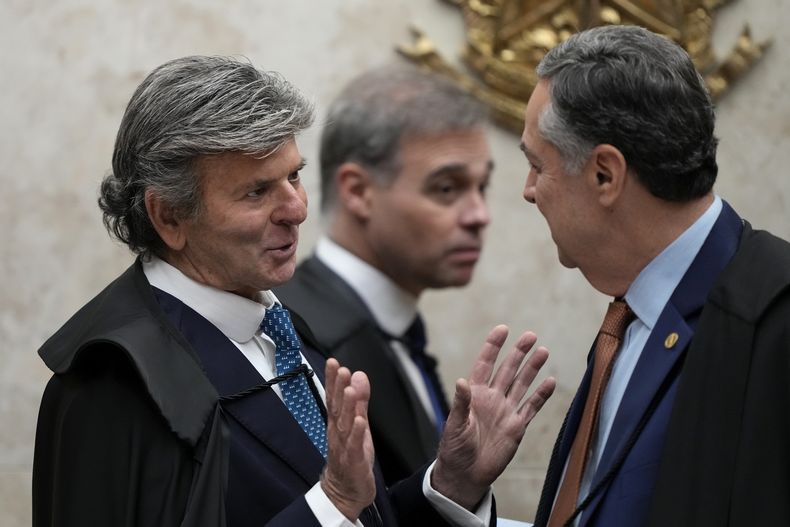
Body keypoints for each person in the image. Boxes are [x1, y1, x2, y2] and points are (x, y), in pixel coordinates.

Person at [32, 55, 557, 527]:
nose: (298, 209)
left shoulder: (280, 327)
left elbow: (363, 516)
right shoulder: (112, 381)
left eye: (295, 176)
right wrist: (328, 503)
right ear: (169, 216)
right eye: (258, 191)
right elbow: (334, 507)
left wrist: (450, 484)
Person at [518, 26, 790, 527]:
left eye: (538, 165)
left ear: (605, 174)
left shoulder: (775, 315)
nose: (529, 190)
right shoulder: (628, 315)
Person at [276, 64, 492, 485]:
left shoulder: (391, 325)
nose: (479, 216)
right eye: (447, 188)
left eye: (481, 187)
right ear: (357, 192)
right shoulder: (301, 343)